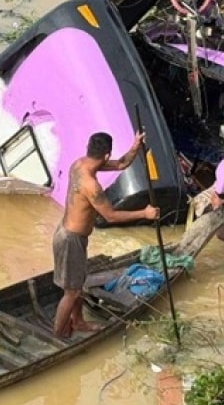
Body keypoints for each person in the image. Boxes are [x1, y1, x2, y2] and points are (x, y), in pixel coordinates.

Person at [52, 131, 160, 338]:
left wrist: (135, 146)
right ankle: (57, 335)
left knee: (77, 284)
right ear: (106, 155)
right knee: (71, 292)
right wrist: (144, 214)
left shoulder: (79, 164)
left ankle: (78, 322)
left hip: (69, 235)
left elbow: (121, 164)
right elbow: (110, 216)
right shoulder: (92, 186)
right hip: (70, 240)